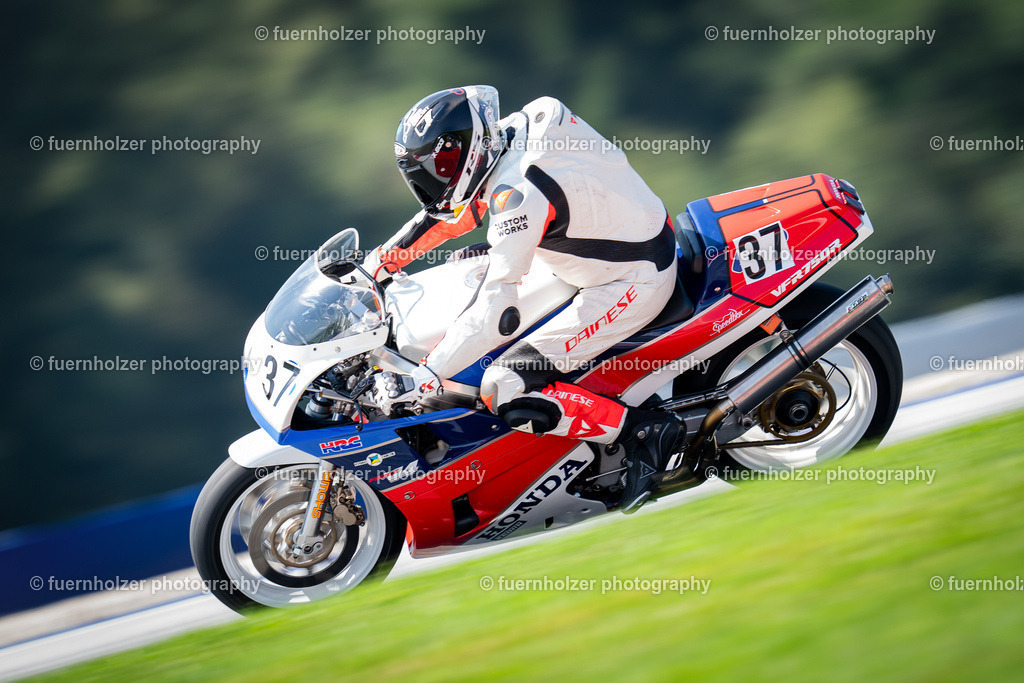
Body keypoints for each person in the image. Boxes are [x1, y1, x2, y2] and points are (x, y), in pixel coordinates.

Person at [365, 85, 684, 512]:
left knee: (505, 384)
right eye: (423, 170)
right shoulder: (519, 128)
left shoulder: (518, 191)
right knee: (464, 269)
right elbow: (460, 214)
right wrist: (377, 266)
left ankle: (642, 431)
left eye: (442, 164)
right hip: (599, 250)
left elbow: (493, 313)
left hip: (629, 280)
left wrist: (428, 374)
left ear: (470, 146)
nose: (435, 178)